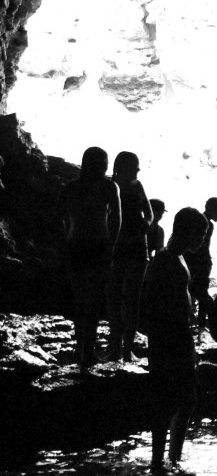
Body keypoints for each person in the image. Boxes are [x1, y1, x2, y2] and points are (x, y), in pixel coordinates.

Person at [143, 206, 208, 470]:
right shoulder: (164, 258)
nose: (203, 238)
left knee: (184, 399)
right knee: (170, 399)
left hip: (179, 335)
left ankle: (172, 457)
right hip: (168, 337)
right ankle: (161, 459)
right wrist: (158, 335)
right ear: (186, 231)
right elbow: (148, 299)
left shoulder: (178, 257)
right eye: (200, 233)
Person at [59, 146, 121, 368]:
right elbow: (116, 219)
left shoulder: (70, 188)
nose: (107, 165)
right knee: (93, 301)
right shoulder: (108, 187)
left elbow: (60, 219)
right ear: (99, 163)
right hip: (98, 246)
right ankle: (88, 350)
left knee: (80, 300)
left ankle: (81, 350)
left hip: (75, 244)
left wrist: (65, 241)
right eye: (105, 161)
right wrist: (111, 245)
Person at [107, 151, 153, 362]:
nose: (138, 169)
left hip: (137, 245)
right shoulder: (110, 185)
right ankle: (115, 347)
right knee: (115, 298)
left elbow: (149, 212)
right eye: (135, 165)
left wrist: (147, 223)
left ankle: (127, 348)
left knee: (132, 299)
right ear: (122, 166)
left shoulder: (137, 185)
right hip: (117, 246)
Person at [184, 196, 217, 334]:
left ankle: (193, 321)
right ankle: (202, 324)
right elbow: (203, 246)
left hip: (193, 259)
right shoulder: (207, 223)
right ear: (213, 210)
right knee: (201, 293)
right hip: (201, 261)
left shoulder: (197, 219)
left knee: (192, 290)